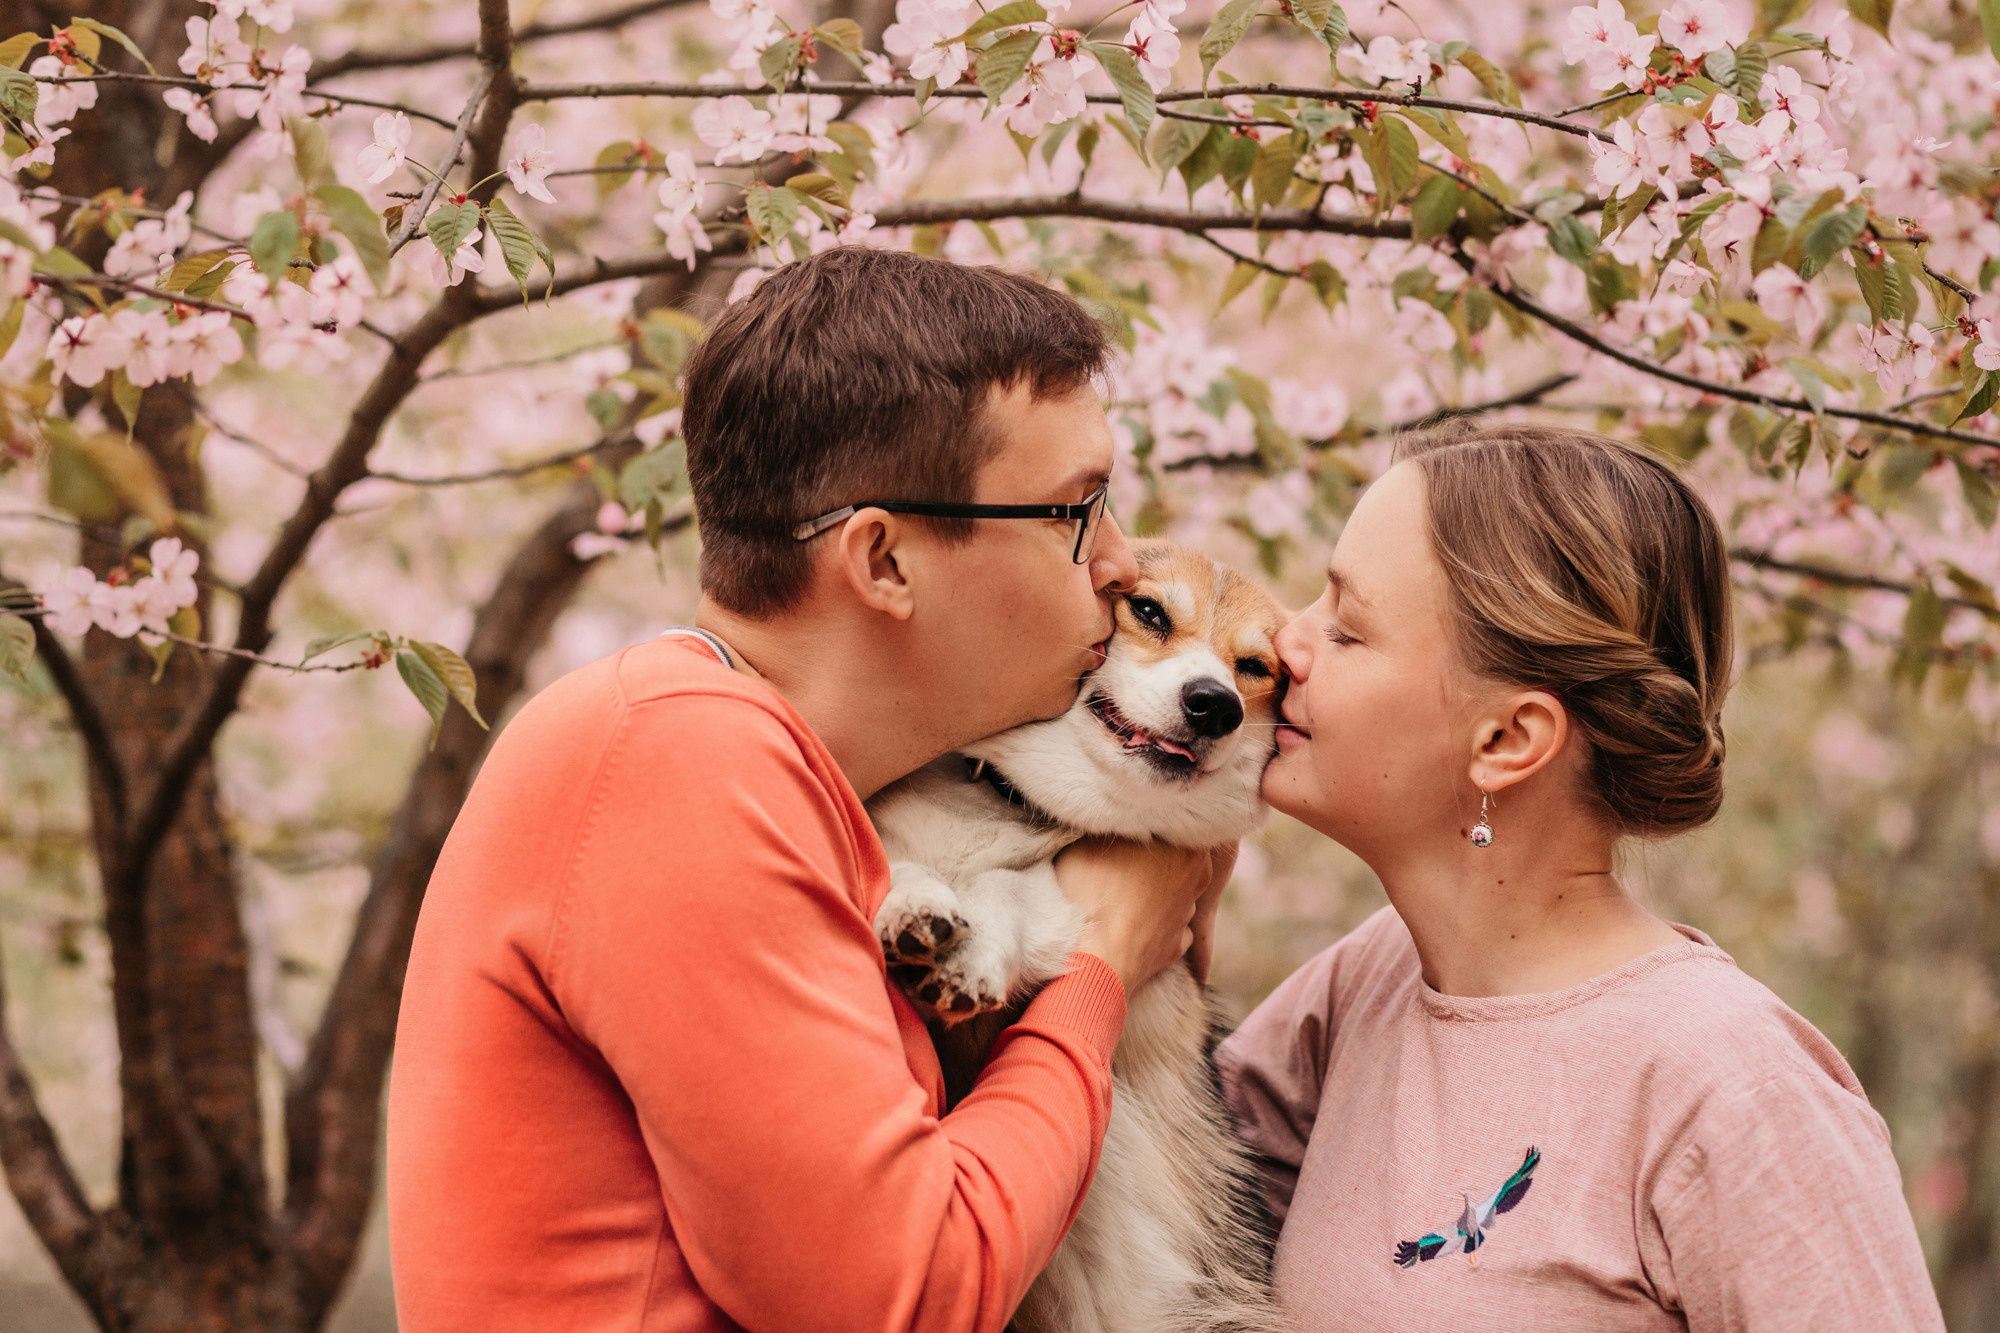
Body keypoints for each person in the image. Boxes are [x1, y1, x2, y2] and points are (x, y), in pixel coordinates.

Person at [387, 248, 1232, 1332]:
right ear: (883, 563)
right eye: (1077, 512)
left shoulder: (756, 767)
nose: (1118, 562)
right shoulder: (675, 756)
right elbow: (897, 1291)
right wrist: (1101, 961)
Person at [1218, 424, 1946, 1331]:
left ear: (1506, 740)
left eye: (1348, 627)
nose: (1285, 640)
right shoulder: (1363, 988)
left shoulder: (1734, 1091)